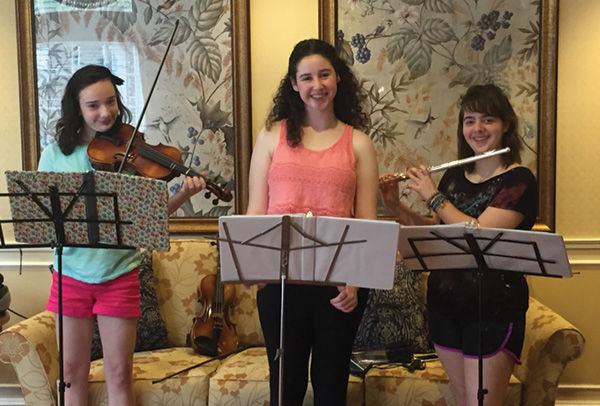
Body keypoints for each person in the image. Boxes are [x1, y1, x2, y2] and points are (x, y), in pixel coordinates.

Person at [37, 65, 206, 405]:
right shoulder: (55, 155)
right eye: (93, 105)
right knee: (71, 374)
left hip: (118, 273)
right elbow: (47, 219)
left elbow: (148, 216)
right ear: (77, 108)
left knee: (118, 373)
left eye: (110, 102)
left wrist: (184, 194)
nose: (105, 112)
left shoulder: (132, 152)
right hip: (70, 275)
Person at [380, 84, 537, 406]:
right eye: (469, 120)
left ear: (506, 124)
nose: (477, 129)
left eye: (487, 119)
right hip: (444, 304)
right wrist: (396, 207)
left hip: (492, 307)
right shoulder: (453, 177)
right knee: (465, 398)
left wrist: (431, 195)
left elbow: (477, 234)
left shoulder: (518, 180)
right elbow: (439, 234)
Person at [246, 39, 379, 405]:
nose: (316, 85)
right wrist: (254, 267)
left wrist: (354, 281)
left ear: (338, 78)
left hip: (339, 287)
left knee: (331, 383)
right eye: (306, 78)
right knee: (284, 386)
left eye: (324, 74)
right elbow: (256, 209)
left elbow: (367, 222)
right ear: (293, 84)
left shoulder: (360, 143)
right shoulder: (271, 135)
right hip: (280, 281)